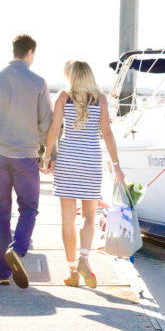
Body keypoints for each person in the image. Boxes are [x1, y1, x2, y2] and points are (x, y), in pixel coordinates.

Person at [0, 33, 53, 288]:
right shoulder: (38, 82)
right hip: (26, 157)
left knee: (1, 213)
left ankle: (2, 273)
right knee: (29, 209)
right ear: (29, 53)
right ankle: (17, 250)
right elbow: (46, 123)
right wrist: (49, 152)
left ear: (13, 52)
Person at [44, 60, 125, 288]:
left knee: (67, 219)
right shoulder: (100, 98)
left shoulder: (63, 96)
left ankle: (72, 271)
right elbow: (107, 134)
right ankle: (84, 259)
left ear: (72, 76)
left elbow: (54, 129)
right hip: (90, 162)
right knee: (89, 216)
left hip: (68, 161)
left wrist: (47, 157)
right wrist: (117, 165)